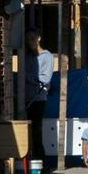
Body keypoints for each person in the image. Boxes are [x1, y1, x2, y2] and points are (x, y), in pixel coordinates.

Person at [24, 31, 55, 161]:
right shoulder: (28, 56)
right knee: (27, 133)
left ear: (39, 38)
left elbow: (45, 78)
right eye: (28, 39)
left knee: (36, 132)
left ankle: (41, 163)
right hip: (25, 99)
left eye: (32, 38)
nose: (30, 42)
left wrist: (27, 77)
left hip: (38, 99)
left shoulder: (46, 56)